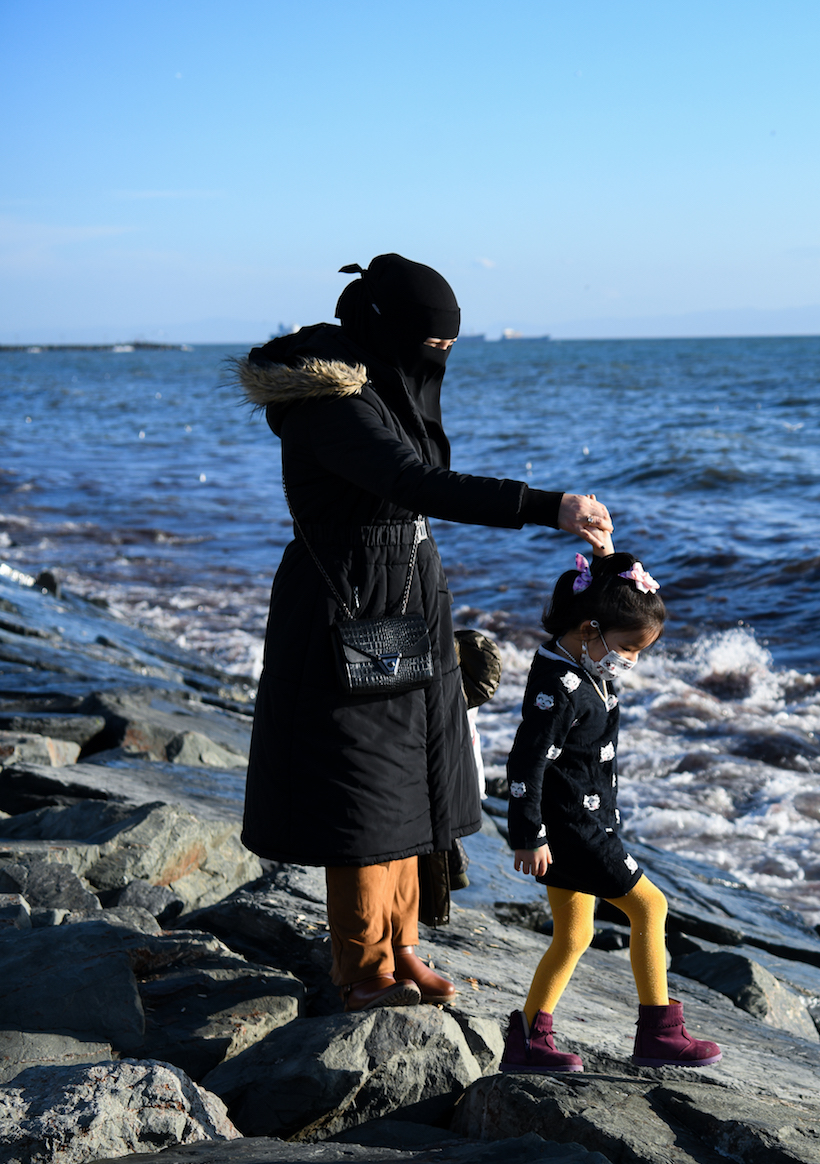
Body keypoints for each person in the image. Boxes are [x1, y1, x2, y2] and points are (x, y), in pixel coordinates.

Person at [236, 254, 614, 1012]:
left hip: (403, 596)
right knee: (364, 786)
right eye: (431, 346)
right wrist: (548, 506)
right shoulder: (331, 400)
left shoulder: (381, 382)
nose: (437, 361)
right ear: (387, 329)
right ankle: (361, 969)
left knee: (414, 773)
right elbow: (413, 484)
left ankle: (403, 944)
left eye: (447, 348)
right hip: (347, 605)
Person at [498, 550, 722, 1073]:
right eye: (626, 648)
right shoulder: (559, 686)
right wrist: (526, 835)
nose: (630, 661)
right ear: (588, 628)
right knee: (651, 907)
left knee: (574, 935)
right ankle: (658, 1033)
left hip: (584, 820)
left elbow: (608, 579)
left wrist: (606, 553)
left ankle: (530, 1041)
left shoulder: (578, 659)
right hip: (573, 828)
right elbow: (526, 761)